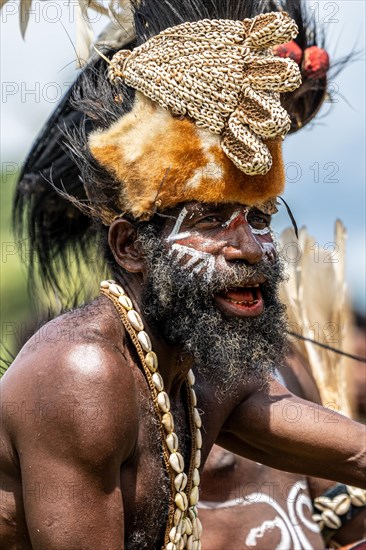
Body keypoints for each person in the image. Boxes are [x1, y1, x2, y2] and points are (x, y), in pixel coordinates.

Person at [1, 2, 365, 549]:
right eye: (212, 220)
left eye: (260, 220)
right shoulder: (83, 373)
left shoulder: (205, 372)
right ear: (130, 247)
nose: (250, 249)